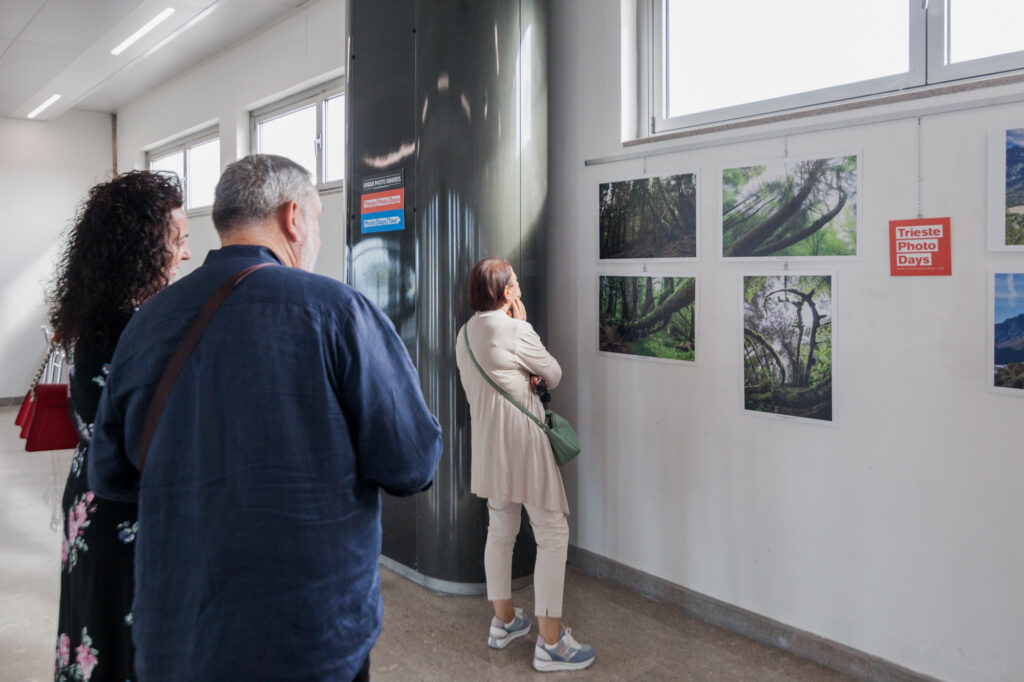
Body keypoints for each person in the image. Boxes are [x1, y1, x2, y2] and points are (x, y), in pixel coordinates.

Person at [86, 154, 444, 681]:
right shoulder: (339, 311)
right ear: (292, 217)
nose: (316, 236)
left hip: (178, 635)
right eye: (318, 221)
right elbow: (412, 463)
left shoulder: (148, 323)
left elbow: (111, 473)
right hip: (310, 636)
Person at [49, 170, 191, 681]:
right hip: (118, 514)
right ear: (139, 248)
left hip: (98, 500)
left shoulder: (106, 316)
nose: (186, 255)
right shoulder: (125, 327)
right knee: (115, 636)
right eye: (177, 242)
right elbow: (134, 436)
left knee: (101, 629)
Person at [454, 257, 596, 672]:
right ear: (506, 293)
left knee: (500, 529)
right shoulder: (517, 330)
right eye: (514, 283)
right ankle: (551, 644)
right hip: (525, 445)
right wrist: (525, 323)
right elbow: (553, 373)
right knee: (552, 533)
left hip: (488, 447)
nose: (518, 286)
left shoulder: (462, 336)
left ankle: (503, 621)